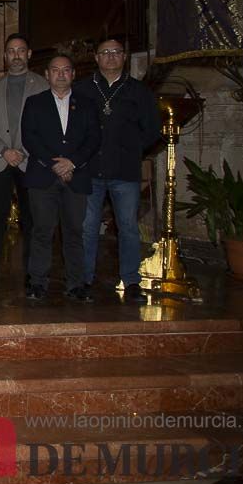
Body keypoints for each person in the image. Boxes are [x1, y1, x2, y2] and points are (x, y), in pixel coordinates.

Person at [75, 37, 160, 303]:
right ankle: (84, 279)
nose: (111, 57)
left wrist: (132, 150)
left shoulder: (139, 91)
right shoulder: (82, 89)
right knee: (87, 228)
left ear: (124, 57)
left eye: (116, 52)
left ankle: (131, 281)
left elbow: (151, 129)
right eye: (105, 53)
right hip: (90, 169)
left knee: (127, 227)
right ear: (97, 58)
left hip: (125, 171)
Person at [21, 55, 102, 301]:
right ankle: (37, 282)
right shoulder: (35, 103)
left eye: (66, 70)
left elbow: (93, 139)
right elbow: (29, 137)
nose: (60, 74)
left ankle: (76, 284)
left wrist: (72, 162)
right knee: (42, 231)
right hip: (43, 176)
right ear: (47, 74)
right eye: (55, 70)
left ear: (73, 74)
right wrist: (54, 164)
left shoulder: (87, 104)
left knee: (74, 232)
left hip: (76, 177)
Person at [0, 33, 48, 290]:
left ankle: (32, 273)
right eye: (11, 51)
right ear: (5, 56)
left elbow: (46, 127)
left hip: (31, 161)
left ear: (28, 54)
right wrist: (5, 151)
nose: (16, 55)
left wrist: (23, 152)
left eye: (21, 50)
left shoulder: (43, 85)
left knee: (32, 220)